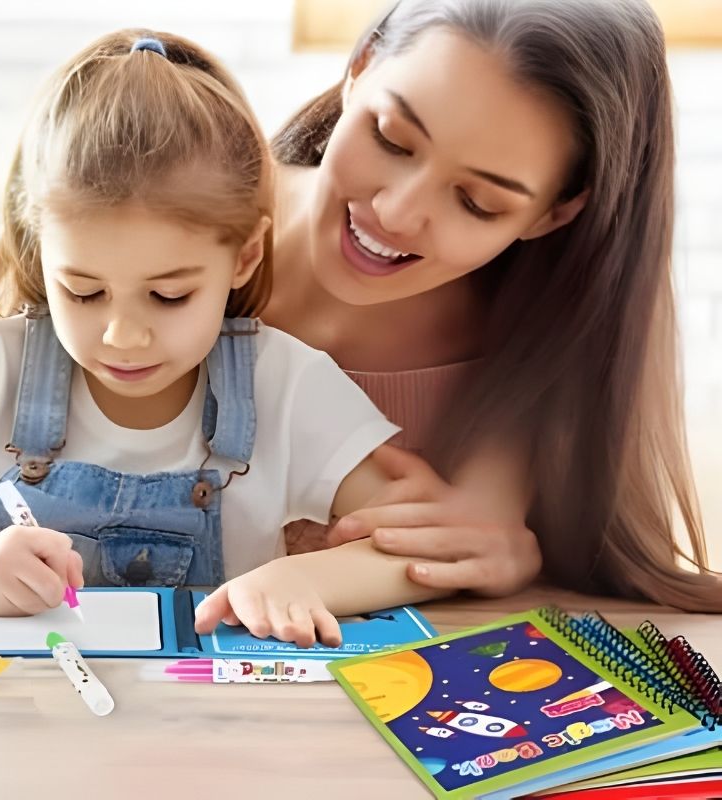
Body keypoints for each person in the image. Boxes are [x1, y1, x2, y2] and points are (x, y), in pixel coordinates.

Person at [0, 30, 451, 648]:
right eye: (83, 292)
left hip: (210, 723)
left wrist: (306, 579)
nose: (122, 336)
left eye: (169, 296)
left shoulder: (282, 384)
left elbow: (418, 546)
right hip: (18, 721)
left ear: (246, 256)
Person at [264, 0, 720, 610]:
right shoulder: (171, 232)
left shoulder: (521, 361)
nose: (396, 213)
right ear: (361, 66)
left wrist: (509, 557)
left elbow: (473, 555)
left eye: (477, 202)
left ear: (557, 212)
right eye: (392, 139)